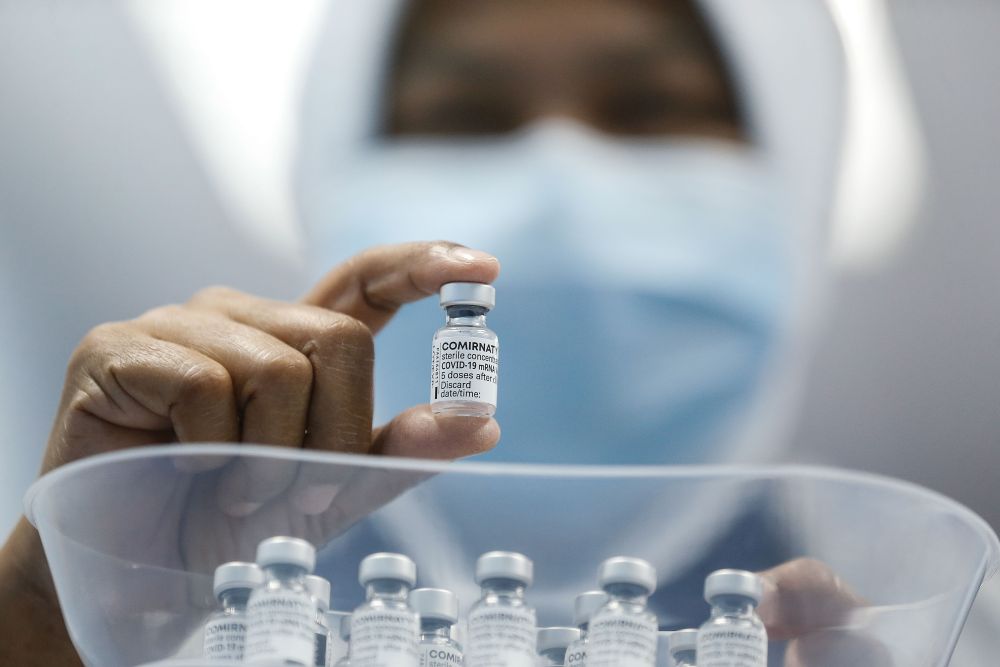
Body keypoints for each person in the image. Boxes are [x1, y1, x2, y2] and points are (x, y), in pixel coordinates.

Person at [0, 0, 981, 664]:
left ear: (803, 174)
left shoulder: (948, 622)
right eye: (463, 115)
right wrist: (50, 627)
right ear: (329, 171)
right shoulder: (164, 600)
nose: (561, 172)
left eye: (651, 110)